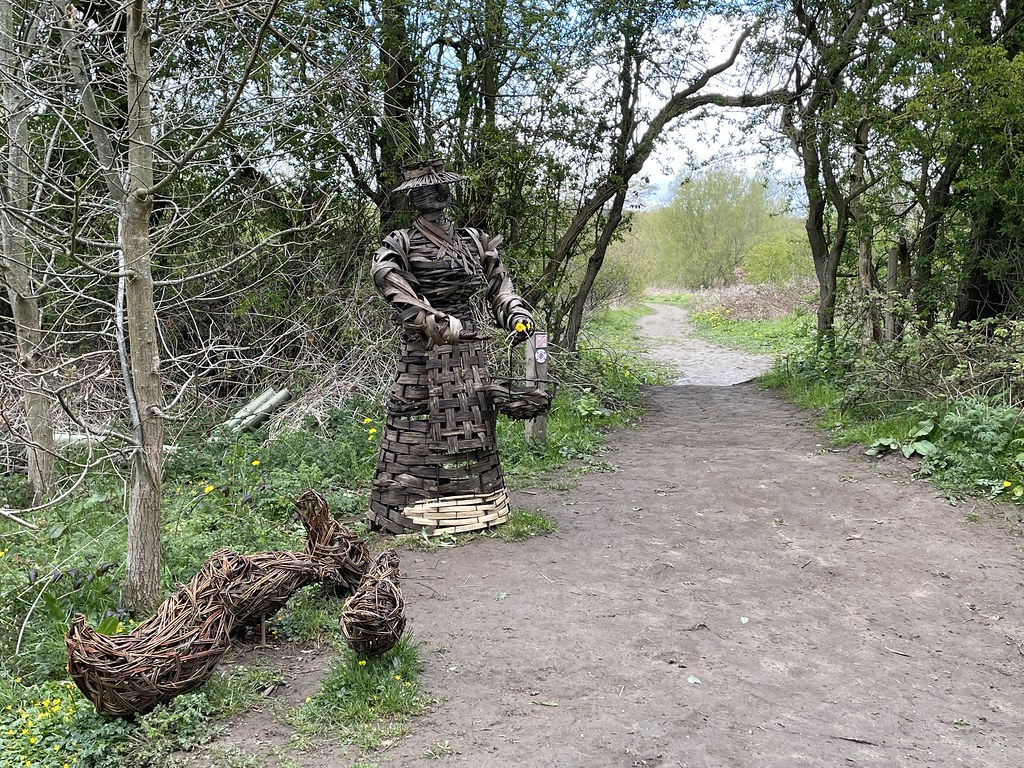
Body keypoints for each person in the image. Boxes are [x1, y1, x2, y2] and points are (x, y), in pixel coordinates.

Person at [368, 159, 535, 534]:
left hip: (469, 353)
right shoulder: (399, 243)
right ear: (414, 198)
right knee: (416, 424)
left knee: (472, 422)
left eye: (441, 187)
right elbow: (390, 283)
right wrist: (434, 321)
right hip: (422, 353)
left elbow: (500, 287)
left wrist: (515, 314)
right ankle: (409, 509)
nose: (436, 194)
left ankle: (478, 507)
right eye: (426, 189)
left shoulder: (474, 240)